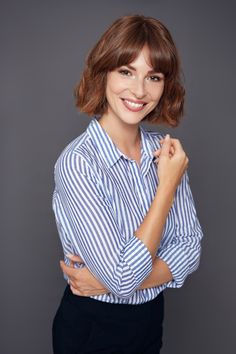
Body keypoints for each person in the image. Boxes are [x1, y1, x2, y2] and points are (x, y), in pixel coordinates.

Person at [52, 14, 203, 354]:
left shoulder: (164, 153)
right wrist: (166, 188)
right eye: (126, 71)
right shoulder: (78, 163)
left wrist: (106, 283)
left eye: (153, 76)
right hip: (92, 327)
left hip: (150, 320)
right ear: (102, 72)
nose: (139, 91)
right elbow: (122, 277)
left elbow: (190, 247)